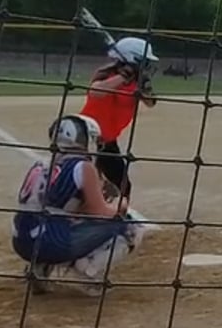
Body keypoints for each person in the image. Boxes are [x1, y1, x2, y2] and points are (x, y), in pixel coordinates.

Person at [13, 114, 144, 292]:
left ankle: (41, 267)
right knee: (130, 226)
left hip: (21, 240)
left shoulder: (40, 164)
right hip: (52, 241)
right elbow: (100, 212)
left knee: (60, 219)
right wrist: (120, 206)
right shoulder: (83, 166)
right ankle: (88, 270)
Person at [79, 36, 159, 202]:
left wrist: (144, 88)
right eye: (144, 61)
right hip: (86, 137)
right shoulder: (107, 74)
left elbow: (151, 103)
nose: (147, 66)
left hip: (108, 140)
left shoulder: (137, 81)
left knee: (121, 186)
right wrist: (122, 77)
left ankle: (107, 211)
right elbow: (95, 92)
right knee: (84, 184)